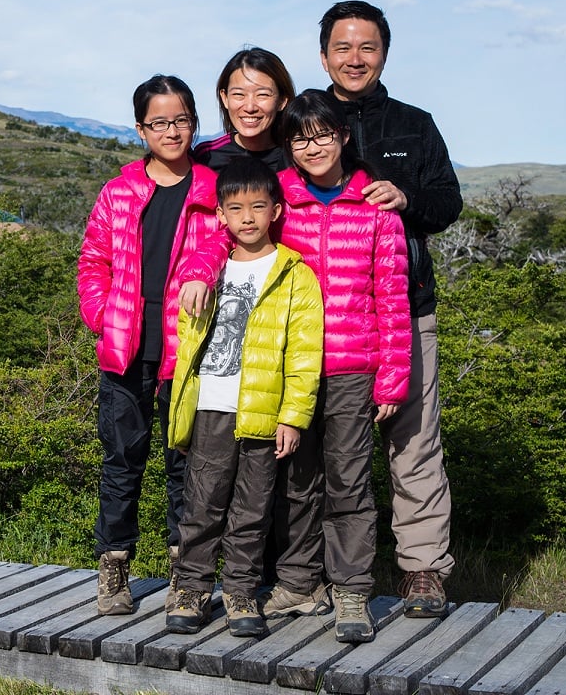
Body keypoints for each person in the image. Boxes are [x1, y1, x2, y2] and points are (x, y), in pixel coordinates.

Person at [182, 89, 412, 642]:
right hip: (287, 370)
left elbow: (394, 296)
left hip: (355, 366)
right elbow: (225, 236)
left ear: (343, 137)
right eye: (301, 138)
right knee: (296, 482)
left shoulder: (376, 208)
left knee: (349, 483)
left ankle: (352, 592)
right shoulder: (277, 198)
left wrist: (393, 375)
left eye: (323, 135)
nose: (312, 146)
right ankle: (298, 582)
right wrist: (198, 270)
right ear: (289, 146)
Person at [319, 0, 463, 618]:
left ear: (384, 53)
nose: (356, 59)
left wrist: (406, 197)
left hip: (408, 307)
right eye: (343, 47)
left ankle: (424, 571)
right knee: (318, 447)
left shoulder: (415, 124)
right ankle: (313, 573)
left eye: (367, 47)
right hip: (321, 318)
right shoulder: (302, 118)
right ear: (324, 54)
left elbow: (447, 203)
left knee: (414, 442)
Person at [77, 74, 222, 615]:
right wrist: (102, 315)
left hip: (190, 351)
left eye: (181, 120)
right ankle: (114, 570)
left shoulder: (212, 189)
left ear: (194, 123)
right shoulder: (119, 192)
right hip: (126, 349)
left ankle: (186, 575)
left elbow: (226, 248)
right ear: (141, 129)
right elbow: (92, 261)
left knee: (187, 465)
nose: (172, 131)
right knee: (122, 461)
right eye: (159, 122)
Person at [163, 157, 323, 637]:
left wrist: (293, 418)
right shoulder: (206, 271)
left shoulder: (296, 275)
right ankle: (189, 588)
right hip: (211, 406)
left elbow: (304, 354)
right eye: (236, 208)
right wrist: (182, 416)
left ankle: (239, 592)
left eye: (258, 206)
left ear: (276, 209)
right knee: (201, 505)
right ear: (221, 215)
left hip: (263, 412)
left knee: (252, 511)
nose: (248, 217)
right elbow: (186, 346)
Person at [193, 47, 296, 174]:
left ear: (282, 101)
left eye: (262, 94)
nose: (250, 107)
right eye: (239, 94)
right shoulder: (206, 156)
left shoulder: (296, 156)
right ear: (225, 98)